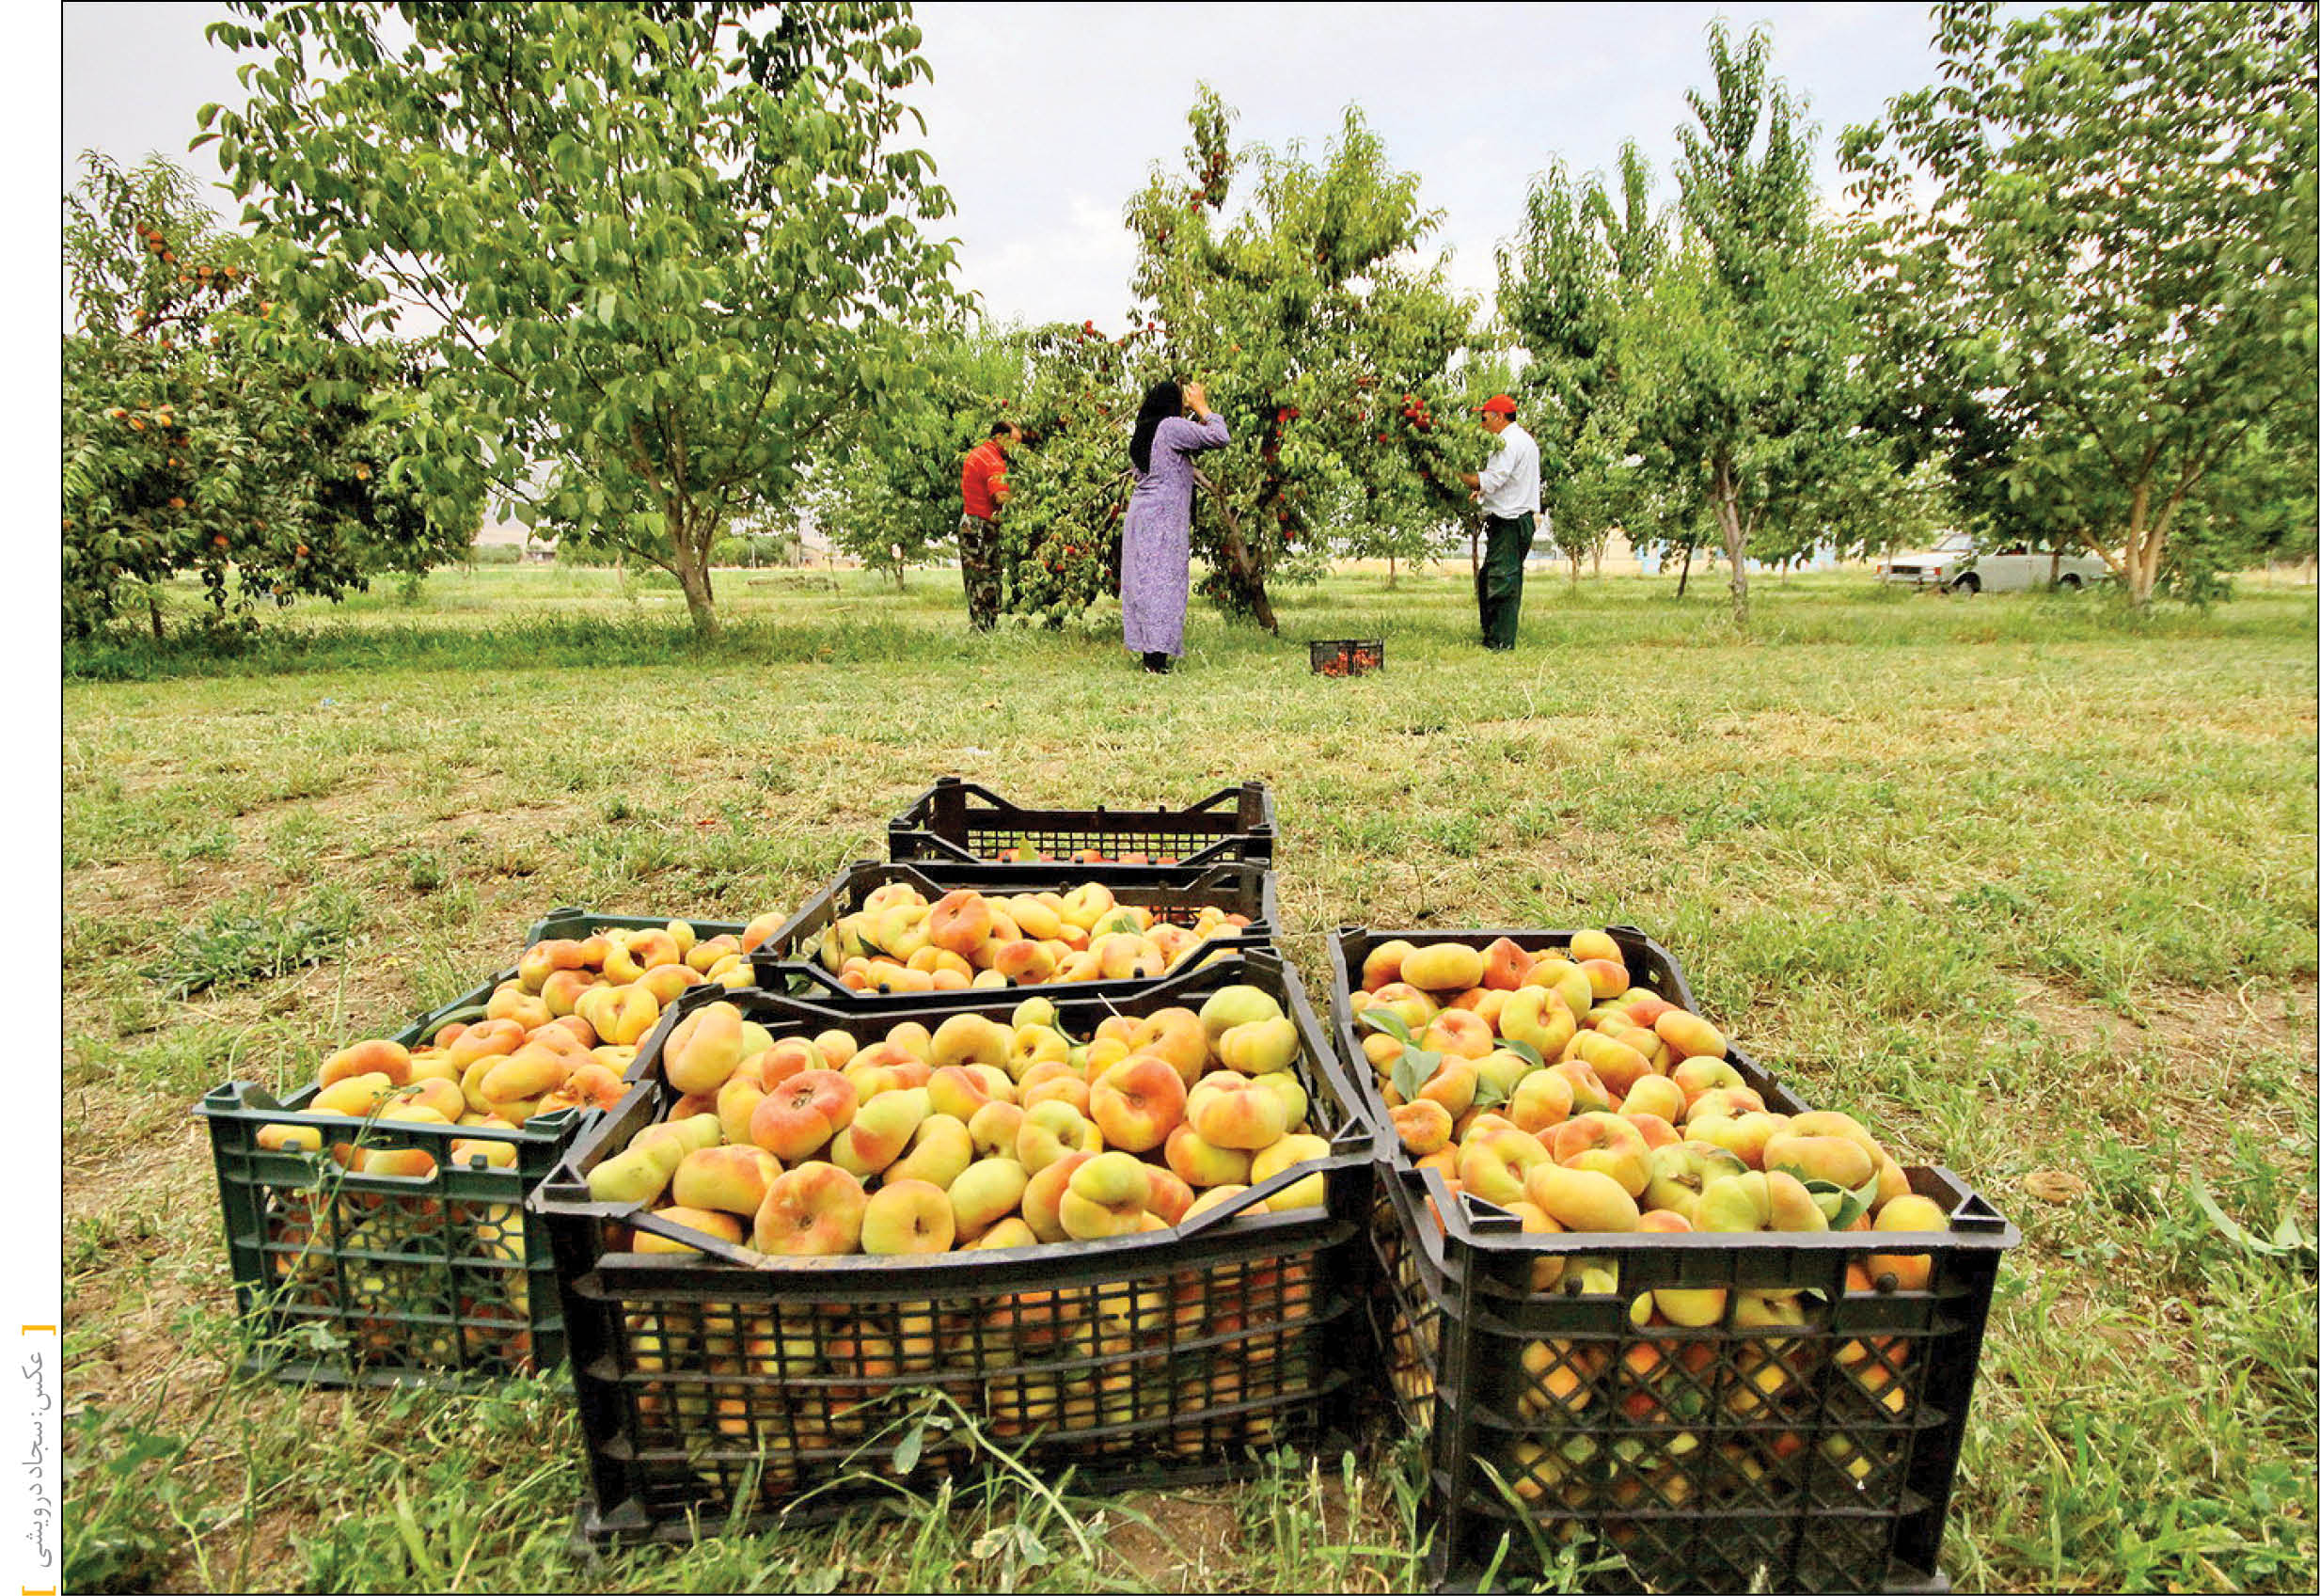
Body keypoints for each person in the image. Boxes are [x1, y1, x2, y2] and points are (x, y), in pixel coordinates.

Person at [1121, 378, 1228, 673]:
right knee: (1163, 586)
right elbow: (1220, 436)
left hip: (1142, 517)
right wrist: (1203, 407)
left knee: (1145, 586)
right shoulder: (1170, 428)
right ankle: (1157, 662)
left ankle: (1150, 659)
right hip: (1162, 521)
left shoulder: (1144, 431)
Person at [1457, 394, 1542, 651]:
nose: (1482, 423)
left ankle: (1501, 642)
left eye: (1484, 417)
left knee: (1502, 581)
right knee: (1490, 579)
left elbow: (1491, 479)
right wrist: (1484, 492)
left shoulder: (1508, 442)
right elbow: (1507, 481)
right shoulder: (1523, 440)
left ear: (1499, 417)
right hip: (1514, 519)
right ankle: (1492, 635)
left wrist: (1452, 472)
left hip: (1510, 522)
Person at [958, 419, 1021, 631]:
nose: (1015, 449)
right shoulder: (994, 461)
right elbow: (1000, 496)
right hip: (982, 527)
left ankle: (978, 626)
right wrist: (1023, 498)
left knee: (973, 578)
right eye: (1013, 443)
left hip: (969, 522)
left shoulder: (977, 454)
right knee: (988, 578)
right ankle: (986, 628)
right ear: (1000, 438)